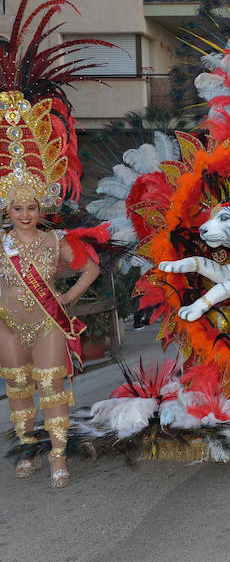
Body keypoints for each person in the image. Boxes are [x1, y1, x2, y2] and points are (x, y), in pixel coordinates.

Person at [0, 197, 99, 488]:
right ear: (8, 210)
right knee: (17, 387)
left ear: (41, 209)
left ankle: (58, 457)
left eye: (31, 208)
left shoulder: (56, 240)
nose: (25, 215)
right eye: (18, 209)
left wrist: (68, 298)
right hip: (8, 326)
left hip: (47, 323)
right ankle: (27, 448)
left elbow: (90, 269)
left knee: (52, 389)